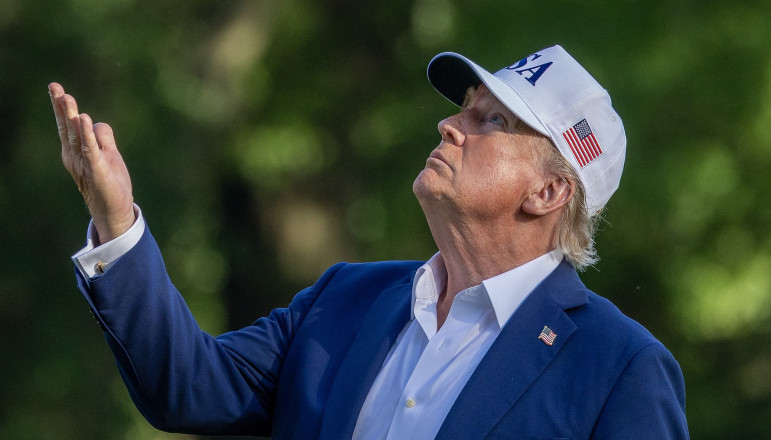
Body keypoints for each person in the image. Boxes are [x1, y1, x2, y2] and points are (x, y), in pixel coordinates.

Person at [50, 45, 689, 439]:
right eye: (465, 107)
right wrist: (116, 220)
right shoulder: (344, 297)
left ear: (549, 192)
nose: (450, 124)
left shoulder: (621, 368)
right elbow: (188, 388)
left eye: (492, 120)